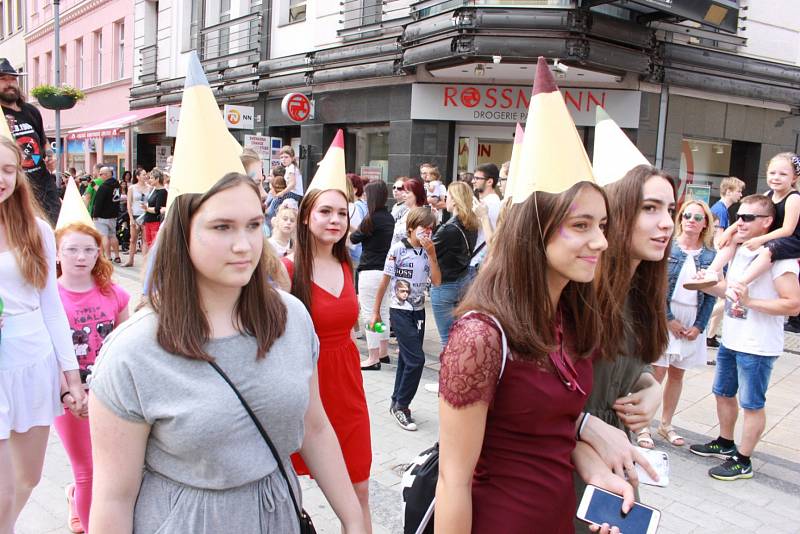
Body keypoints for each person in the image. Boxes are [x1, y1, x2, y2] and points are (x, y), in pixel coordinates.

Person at [89, 173, 366, 533]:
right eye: (222, 227)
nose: (244, 245)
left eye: (253, 225)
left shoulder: (293, 318)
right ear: (182, 233)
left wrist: (353, 518)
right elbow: (114, 498)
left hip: (279, 516)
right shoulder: (133, 353)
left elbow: (314, 427)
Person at [435, 181, 633, 532]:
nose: (601, 241)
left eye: (602, 226)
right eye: (581, 225)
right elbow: (453, 480)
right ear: (534, 229)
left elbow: (547, 428)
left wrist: (596, 471)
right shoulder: (480, 335)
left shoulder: (570, 317)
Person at [283, 131, 373, 529]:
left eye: (342, 213)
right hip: (304, 390)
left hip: (348, 386)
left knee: (359, 490)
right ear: (306, 215)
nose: (335, 220)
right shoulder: (287, 271)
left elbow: (349, 330)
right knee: (288, 493)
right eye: (325, 212)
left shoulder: (345, 265)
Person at [0, 136, 85, 533]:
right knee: (1, 490)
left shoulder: (35, 229)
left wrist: (71, 375)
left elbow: (52, 307)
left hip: (34, 362)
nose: (1, 178)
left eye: (7, 169)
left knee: (29, 478)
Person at [689, 194, 800, 480]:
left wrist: (751, 303)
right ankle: (726, 443)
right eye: (738, 216)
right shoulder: (741, 250)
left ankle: (744, 460)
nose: (740, 222)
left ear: (767, 223)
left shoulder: (780, 259)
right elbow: (729, 291)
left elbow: (793, 303)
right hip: (731, 339)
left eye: (747, 218)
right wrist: (707, 284)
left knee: (752, 404)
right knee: (723, 393)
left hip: (758, 346)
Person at [583, 165, 674, 485]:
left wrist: (650, 386)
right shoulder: (578, 292)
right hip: (562, 464)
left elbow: (628, 366)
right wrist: (584, 427)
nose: (667, 223)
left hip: (616, 463)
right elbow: (523, 395)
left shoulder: (642, 295)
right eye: (650, 208)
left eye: (670, 209)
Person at [54, 221, 130, 533]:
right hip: (69, 398)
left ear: (99, 253)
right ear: (57, 254)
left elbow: (126, 344)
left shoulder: (115, 293)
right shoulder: (49, 297)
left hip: (110, 394)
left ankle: (77, 500)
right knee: (87, 471)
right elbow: (48, 353)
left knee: (113, 470)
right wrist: (67, 393)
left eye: (88, 250)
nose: (80, 257)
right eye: (71, 249)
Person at [649, 200, 716, 449]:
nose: (691, 220)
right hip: (667, 316)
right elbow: (655, 288)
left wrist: (700, 326)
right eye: (687, 215)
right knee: (656, 372)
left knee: (678, 374)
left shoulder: (711, 255)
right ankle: (644, 425)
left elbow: (711, 294)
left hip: (692, 319)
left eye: (697, 217)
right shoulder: (669, 248)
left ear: (705, 223)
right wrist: (668, 320)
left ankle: (666, 424)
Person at [686, 154, 800, 298]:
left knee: (770, 250)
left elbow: (788, 229)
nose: (776, 177)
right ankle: (711, 272)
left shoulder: (794, 198)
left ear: (794, 178)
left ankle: (740, 283)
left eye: (783, 174)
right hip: (771, 233)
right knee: (735, 237)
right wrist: (729, 231)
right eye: (772, 173)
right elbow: (747, 214)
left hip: (791, 239)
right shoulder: (768, 194)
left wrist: (761, 240)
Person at [371, 207, 440, 430]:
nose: (427, 233)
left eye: (430, 229)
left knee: (406, 359)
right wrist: (375, 312)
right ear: (411, 228)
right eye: (423, 228)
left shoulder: (429, 251)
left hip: (419, 312)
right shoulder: (398, 249)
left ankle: (396, 400)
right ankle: (403, 406)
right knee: (416, 360)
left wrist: (432, 255)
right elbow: (384, 282)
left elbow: (437, 282)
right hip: (399, 310)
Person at [0, 59, 61, 224]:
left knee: (53, 232)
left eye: (12, 79)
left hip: (44, 187)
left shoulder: (31, 111)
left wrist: (50, 154)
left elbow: (42, 140)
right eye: (3, 79)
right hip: (15, 190)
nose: (9, 83)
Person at [350, 180, 395, 370]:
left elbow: (354, 238)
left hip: (370, 272)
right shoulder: (388, 217)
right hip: (385, 272)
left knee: (370, 314)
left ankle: (373, 357)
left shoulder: (372, 218)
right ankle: (383, 352)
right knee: (382, 313)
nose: (364, 197)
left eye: (367, 195)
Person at [430, 181, 479, 348]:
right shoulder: (472, 224)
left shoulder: (449, 228)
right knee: (460, 336)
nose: (445, 198)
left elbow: (428, 250)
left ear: (456, 200)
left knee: (447, 339)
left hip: (445, 285)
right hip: (463, 281)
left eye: (448, 196)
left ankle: (450, 373)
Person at [470, 163, 502, 274]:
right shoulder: (489, 202)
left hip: (480, 262)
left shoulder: (491, 203)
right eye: (473, 178)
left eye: (477, 178)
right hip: (479, 260)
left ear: (489, 181)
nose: (473, 181)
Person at [91, 167, 121, 263]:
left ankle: (108, 257)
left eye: (101, 174)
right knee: (113, 235)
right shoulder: (116, 186)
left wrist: (95, 214)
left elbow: (99, 202)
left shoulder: (104, 187)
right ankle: (117, 256)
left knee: (104, 236)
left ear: (107, 174)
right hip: (113, 215)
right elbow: (116, 199)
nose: (100, 176)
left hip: (102, 216)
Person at [123, 169, 150, 266]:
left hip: (146, 215)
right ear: (137, 176)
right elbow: (129, 204)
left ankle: (145, 262)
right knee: (133, 239)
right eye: (143, 174)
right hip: (135, 215)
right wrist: (131, 218)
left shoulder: (150, 188)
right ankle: (130, 260)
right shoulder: (132, 188)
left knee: (145, 240)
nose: (145, 176)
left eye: (145, 174)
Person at [391, 178, 426, 245]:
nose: (404, 195)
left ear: (416, 194)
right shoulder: (406, 211)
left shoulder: (421, 215)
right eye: (403, 191)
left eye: (407, 192)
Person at [141, 168, 167, 249]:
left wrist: (146, 208)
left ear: (157, 179)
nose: (150, 180)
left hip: (155, 222)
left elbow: (157, 210)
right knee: (149, 244)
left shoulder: (162, 192)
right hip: (148, 220)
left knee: (155, 246)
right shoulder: (154, 190)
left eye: (152, 178)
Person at [347, 174, 368, 270]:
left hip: (354, 253)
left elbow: (358, 231)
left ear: (354, 190)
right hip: (359, 252)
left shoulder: (356, 206)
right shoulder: (363, 204)